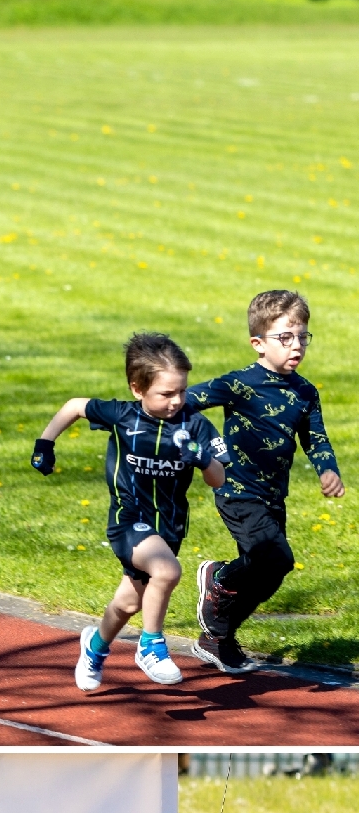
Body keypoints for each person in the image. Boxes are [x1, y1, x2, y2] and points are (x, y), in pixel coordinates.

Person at [31, 334, 227, 693]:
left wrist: (203, 458)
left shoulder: (195, 425)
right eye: (166, 394)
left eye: (181, 391)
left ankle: (94, 647)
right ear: (138, 388)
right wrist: (46, 442)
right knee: (167, 571)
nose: (177, 400)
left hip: (168, 528)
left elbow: (219, 479)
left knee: (127, 603)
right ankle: (151, 646)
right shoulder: (123, 415)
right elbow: (75, 405)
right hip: (128, 519)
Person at [188, 290, 345, 674]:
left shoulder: (306, 393)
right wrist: (207, 446)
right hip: (237, 491)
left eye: (303, 337)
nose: (297, 346)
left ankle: (217, 638)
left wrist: (328, 469)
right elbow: (185, 404)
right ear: (258, 343)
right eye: (285, 338)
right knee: (275, 557)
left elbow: (316, 438)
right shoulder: (239, 384)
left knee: (271, 574)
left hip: (274, 496)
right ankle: (217, 577)